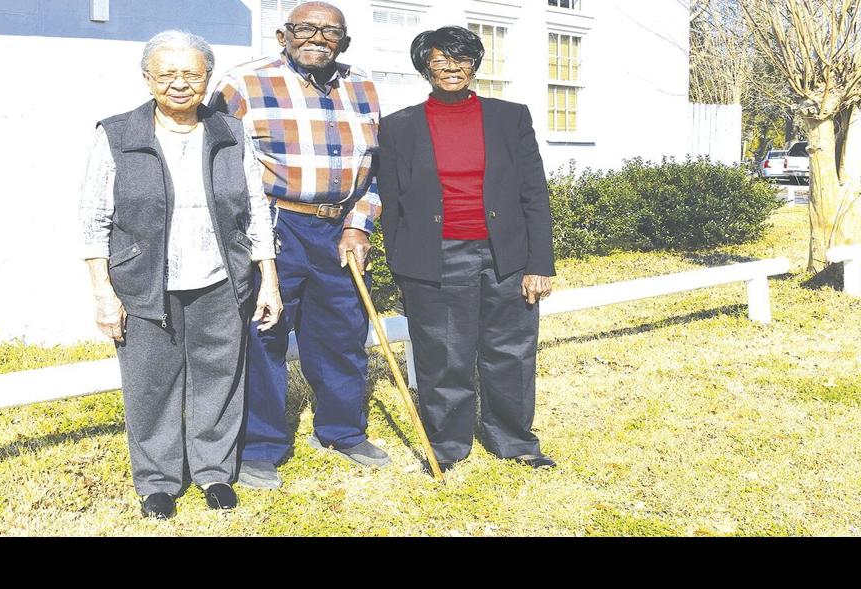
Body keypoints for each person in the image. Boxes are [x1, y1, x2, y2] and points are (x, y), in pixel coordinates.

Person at [79, 30, 282, 519]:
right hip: (145, 281)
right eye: (166, 74)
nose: (179, 84)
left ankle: (214, 471)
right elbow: (93, 218)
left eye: (191, 74)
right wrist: (104, 294)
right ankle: (158, 481)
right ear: (148, 79)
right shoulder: (118, 133)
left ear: (208, 79)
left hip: (219, 277)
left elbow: (255, 208)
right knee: (151, 384)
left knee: (219, 378)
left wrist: (267, 280)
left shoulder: (230, 131)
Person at [207, 1, 389, 489]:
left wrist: (359, 225)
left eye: (330, 31)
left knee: (343, 333)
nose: (316, 38)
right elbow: (212, 165)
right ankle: (262, 446)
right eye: (304, 28)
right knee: (264, 334)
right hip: (274, 228)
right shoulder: (241, 83)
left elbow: (375, 170)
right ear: (283, 34)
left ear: (343, 42)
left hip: (340, 230)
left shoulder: (363, 85)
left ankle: (342, 432)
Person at [376, 25, 557, 472]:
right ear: (425, 68)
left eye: (460, 60)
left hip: (506, 257)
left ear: (474, 65)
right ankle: (449, 445)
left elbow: (534, 193)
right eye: (439, 61)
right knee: (443, 354)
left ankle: (513, 440)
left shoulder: (510, 117)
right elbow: (391, 201)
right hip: (436, 257)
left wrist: (539, 263)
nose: (451, 69)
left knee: (510, 352)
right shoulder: (399, 127)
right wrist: (404, 266)